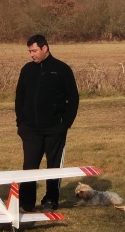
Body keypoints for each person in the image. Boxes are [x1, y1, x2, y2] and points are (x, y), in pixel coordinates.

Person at [14, 34, 79, 211]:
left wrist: (64, 124)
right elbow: (19, 97)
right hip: (30, 130)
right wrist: (21, 123)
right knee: (29, 167)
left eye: (34, 50)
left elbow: (73, 98)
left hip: (54, 129)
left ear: (45, 48)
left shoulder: (61, 69)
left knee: (53, 166)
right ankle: (26, 203)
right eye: (29, 51)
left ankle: (51, 200)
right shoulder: (27, 70)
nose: (31, 55)